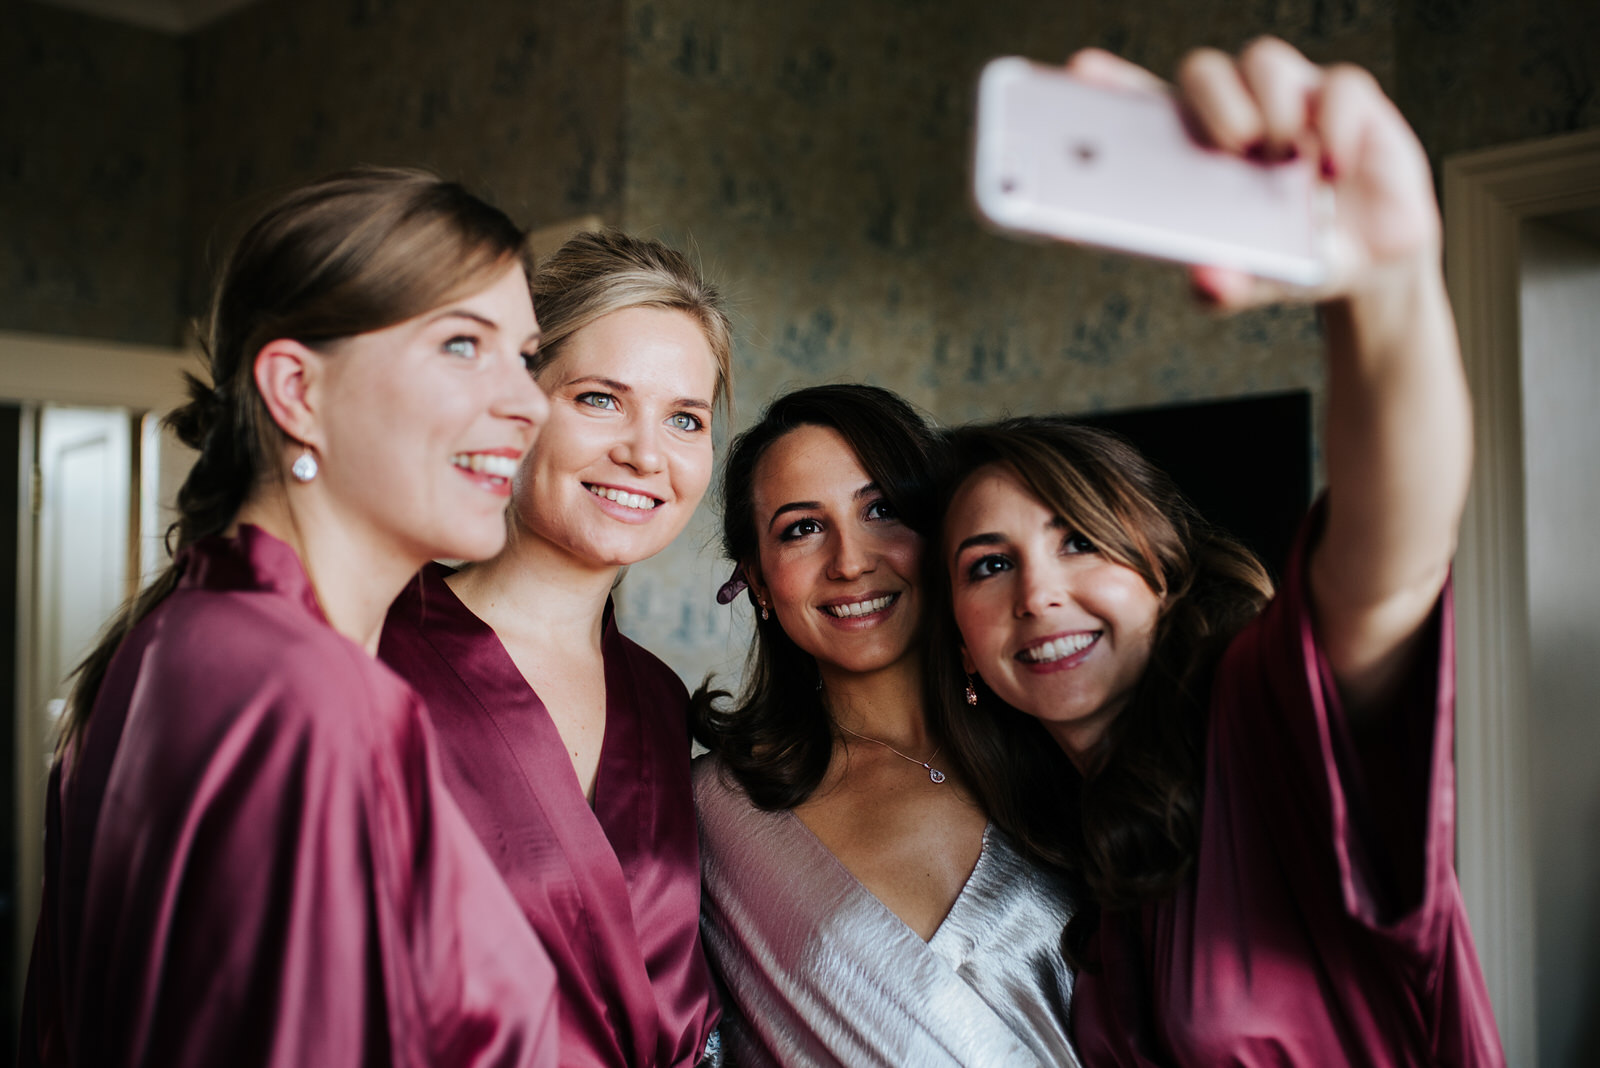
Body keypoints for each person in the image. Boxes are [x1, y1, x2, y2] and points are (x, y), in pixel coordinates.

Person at [932, 40, 1504, 1065]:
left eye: (1078, 538)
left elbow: (1393, 559)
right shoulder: (1074, 857)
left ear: (1161, 570)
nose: (1038, 592)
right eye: (987, 563)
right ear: (963, 648)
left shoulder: (1258, 725)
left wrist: (1388, 288)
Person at [21, 167, 560, 1067]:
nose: (528, 402)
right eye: (463, 345)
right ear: (297, 391)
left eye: (527, 354)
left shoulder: (176, 640)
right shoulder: (309, 697)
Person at [379, 230, 730, 1068]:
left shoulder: (656, 697)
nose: (646, 454)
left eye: (684, 418)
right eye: (601, 399)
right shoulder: (374, 656)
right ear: (515, 407)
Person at [692, 384, 1082, 1068]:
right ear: (756, 578)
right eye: (801, 528)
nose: (849, 560)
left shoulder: (1063, 742)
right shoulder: (713, 814)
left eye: (881, 510)